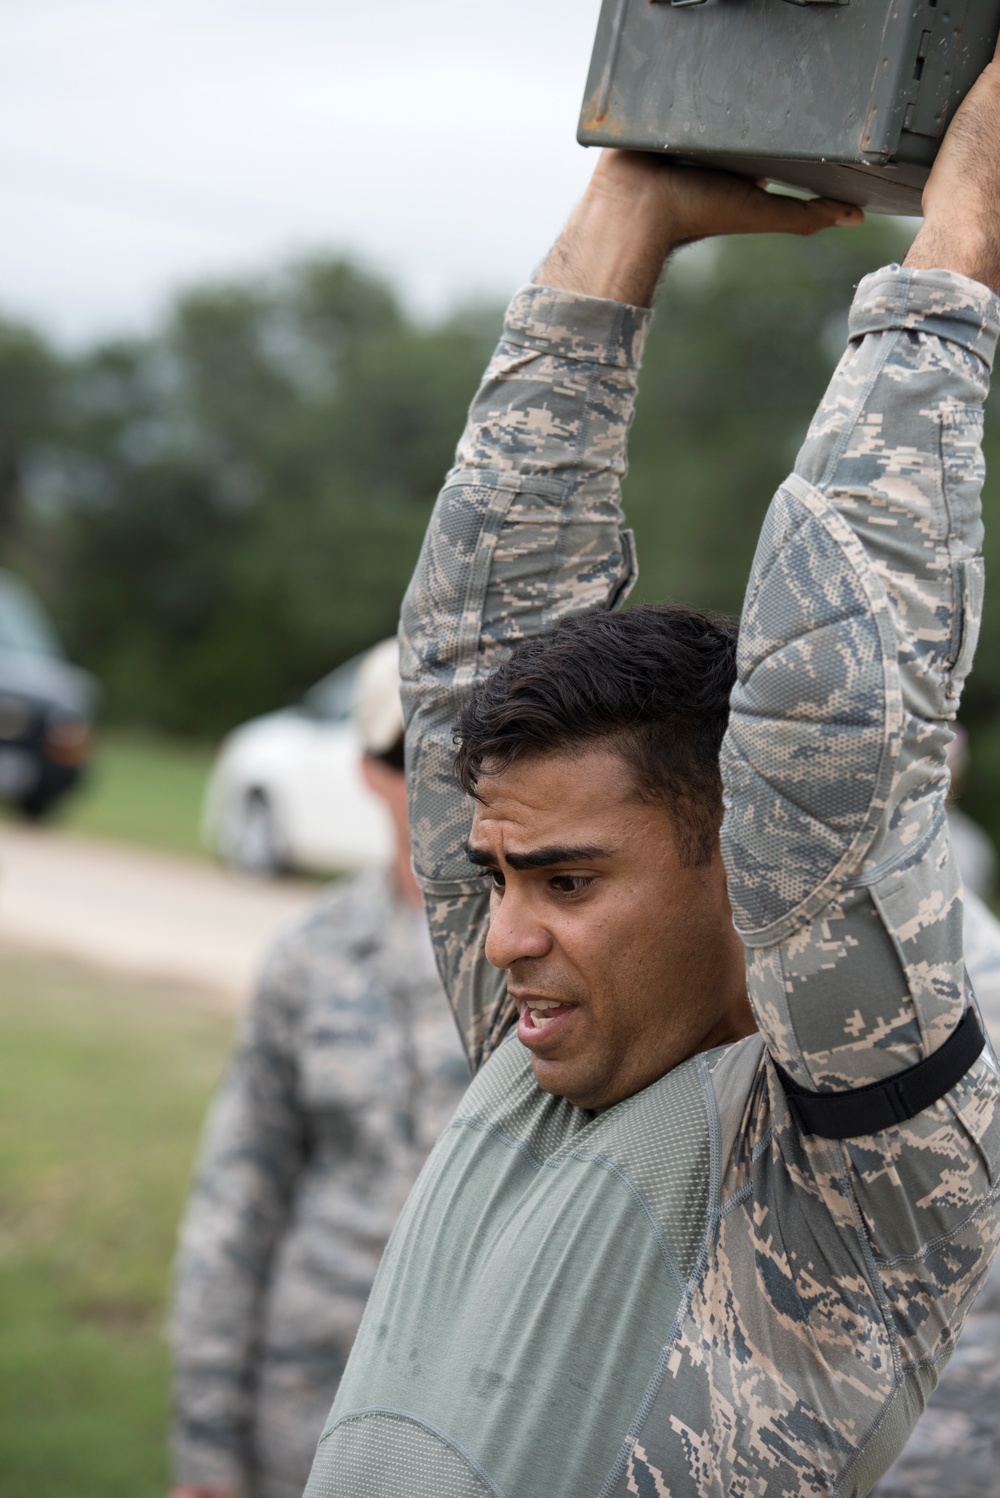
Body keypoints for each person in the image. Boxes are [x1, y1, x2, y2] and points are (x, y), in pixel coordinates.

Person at [304, 54, 1000, 1498]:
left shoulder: (842, 1170)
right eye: (501, 875)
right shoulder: (550, 1035)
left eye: (568, 880)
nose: (499, 933)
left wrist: (962, 245)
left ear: (747, 871)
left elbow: (826, 723)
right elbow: (463, 663)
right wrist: (630, 208)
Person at [167, 639, 470, 1498]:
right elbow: (238, 1199)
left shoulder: (552, 959)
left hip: (482, 1425)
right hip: (306, 1408)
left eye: (463, 753)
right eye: (412, 756)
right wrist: (205, 1448)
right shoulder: (310, 954)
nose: (438, 785)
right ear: (371, 769)